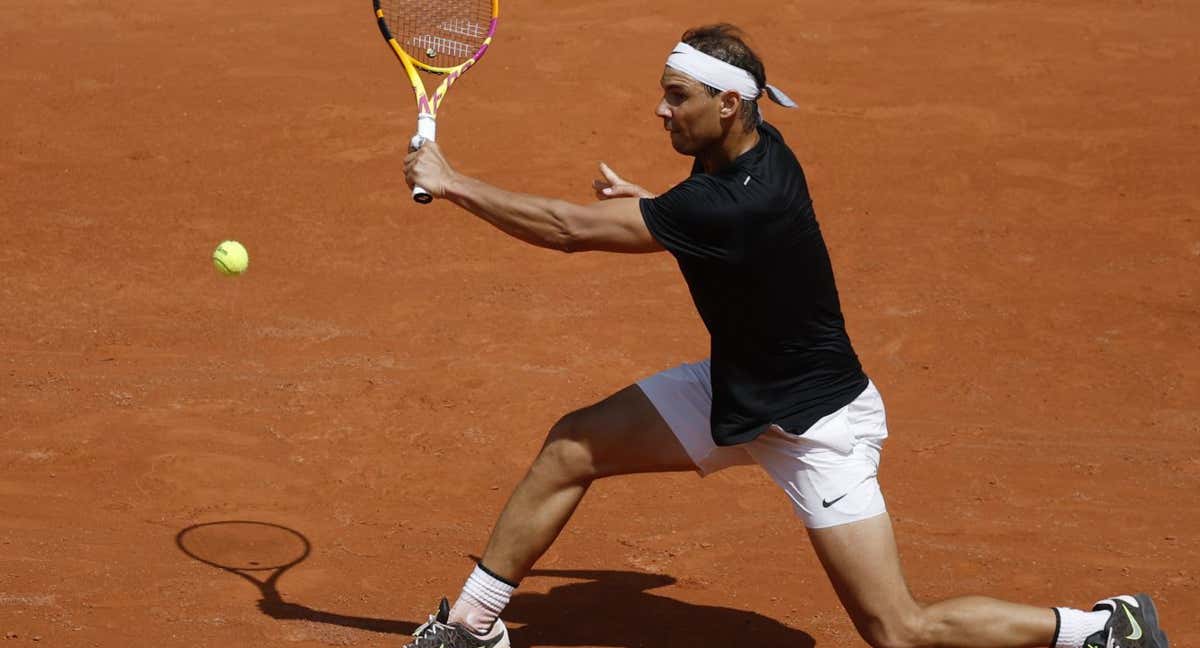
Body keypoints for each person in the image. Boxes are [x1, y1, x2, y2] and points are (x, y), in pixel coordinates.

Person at [399, 23, 1170, 648]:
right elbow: (703, 218)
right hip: (737, 390)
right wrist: (656, 204)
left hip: (815, 424)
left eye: (678, 98)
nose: (661, 111)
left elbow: (569, 230)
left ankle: (1103, 628)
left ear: (729, 104)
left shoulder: (733, 203)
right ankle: (471, 624)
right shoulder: (752, 155)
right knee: (574, 446)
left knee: (899, 629)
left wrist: (455, 178)